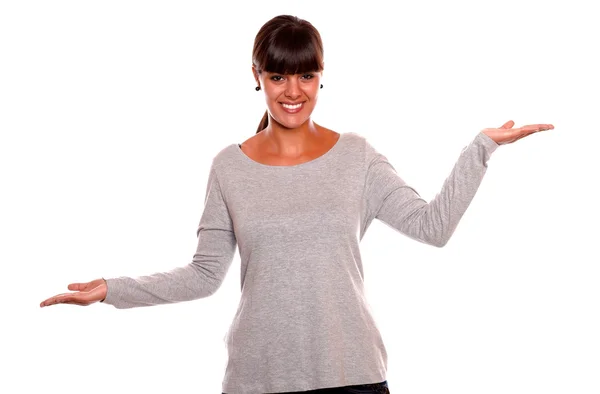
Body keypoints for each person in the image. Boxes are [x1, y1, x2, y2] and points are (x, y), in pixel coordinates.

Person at [40, 14, 554, 394]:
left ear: (321, 76)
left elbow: (432, 226)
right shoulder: (228, 167)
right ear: (257, 76)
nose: (293, 91)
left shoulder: (356, 156)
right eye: (279, 76)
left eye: (306, 76)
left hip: (352, 374)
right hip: (259, 378)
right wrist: (112, 290)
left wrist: (480, 149)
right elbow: (204, 275)